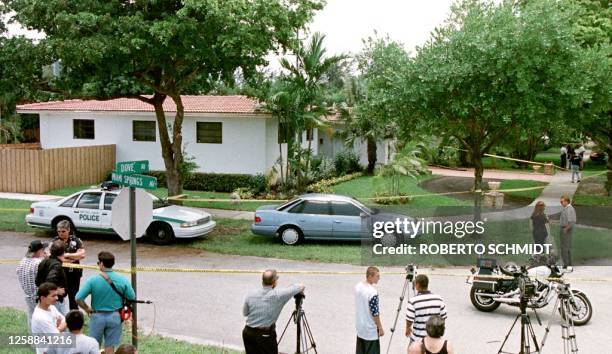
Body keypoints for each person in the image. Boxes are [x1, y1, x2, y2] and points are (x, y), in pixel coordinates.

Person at [76, 252, 135, 354]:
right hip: (115, 316)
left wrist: (87, 308)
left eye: (98, 262)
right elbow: (132, 297)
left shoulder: (93, 280)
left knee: (93, 346)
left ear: (102, 264)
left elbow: (78, 298)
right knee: (110, 347)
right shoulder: (122, 279)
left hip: (97, 316)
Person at [242, 269, 305, 354]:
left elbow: (245, 313)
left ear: (262, 282)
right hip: (265, 335)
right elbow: (300, 286)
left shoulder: (250, 294)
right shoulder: (278, 295)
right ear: (274, 282)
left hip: (248, 333)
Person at [53, 220, 85, 310]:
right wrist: (74, 258)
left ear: (68, 230)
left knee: (74, 297)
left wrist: (66, 255)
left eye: (63, 231)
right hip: (60, 274)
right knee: (59, 296)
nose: (61, 233)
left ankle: (74, 319)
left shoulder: (76, 240)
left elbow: (82, 254)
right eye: (59, 231)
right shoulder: (55, 241)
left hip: (74, 274)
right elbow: (52, 256)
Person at [16, 240, 48, 332]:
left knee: (31, 319)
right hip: (39, 297)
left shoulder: (23, 261)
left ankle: (34, 342)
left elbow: (17, 271)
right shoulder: (39, 263)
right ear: (38, 251)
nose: (44, 251)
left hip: (28, 295)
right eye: (43, 249)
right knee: (43, 321)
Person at [406, 275, 447, 345]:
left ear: (417, 285)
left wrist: (407, 328)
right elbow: (443, 317)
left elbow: (409, 319)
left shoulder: (413, 301)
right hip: (435, 339)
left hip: (418, 339)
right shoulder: (438, 299)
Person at [355, 266, 384, 354]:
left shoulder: (358, 286)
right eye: (377, 276)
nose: (379, 278)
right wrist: (380, 327)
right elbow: (375, 313)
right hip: (370, 330)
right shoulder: (372, 292)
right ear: (370, 276)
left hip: (360, 327)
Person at [31, 282, 66, 354]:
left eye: (56, 295)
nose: (57, 298)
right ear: (43, 298)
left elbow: (66, 320)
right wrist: (59, 328)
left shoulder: (52, 307)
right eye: (53, 296)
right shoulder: (40, 317)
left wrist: (57, 329)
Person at [36, 240, 69, 315]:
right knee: (62, 323)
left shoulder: (44, 261)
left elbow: (37, 282)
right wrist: (57, 291)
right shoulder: (56, 265)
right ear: (63, 252)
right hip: (55, 302)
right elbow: (49, 281)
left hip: (45, 300)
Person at [559, 196, 577, 268]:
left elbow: (572, 221)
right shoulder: (566, 208)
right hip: (564, 228)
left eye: (562, 201)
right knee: (566, 247)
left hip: (566, 230)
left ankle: (566, 265)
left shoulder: (569, 209)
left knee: (564, 248)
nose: (561, 203)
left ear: (566, 201)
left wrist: (565, 229)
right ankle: (568, 263)